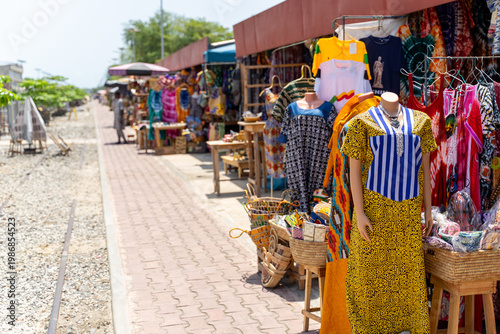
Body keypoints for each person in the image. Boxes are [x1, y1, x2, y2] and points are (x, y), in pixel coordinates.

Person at [340, 92, 436, 333]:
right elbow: (353, 173)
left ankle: (408, 326)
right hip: (374, 215)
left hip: (408, 215)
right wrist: (359, 213)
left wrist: (429, 210)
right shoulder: (361, 123)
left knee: (408, 275)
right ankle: (369, 328)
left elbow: (425, 169)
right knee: (369, 275)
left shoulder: (421, 121)